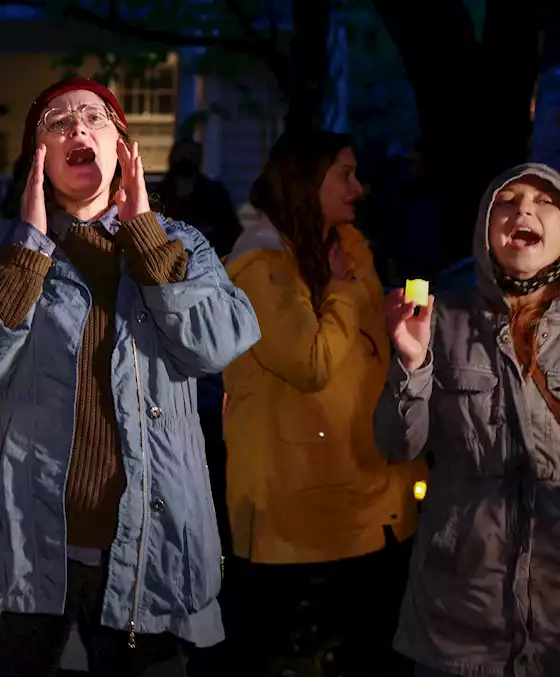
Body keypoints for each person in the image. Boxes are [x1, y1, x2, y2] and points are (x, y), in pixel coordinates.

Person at [0, 77, 261, 677]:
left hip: (144, 549)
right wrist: (28, 250)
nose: (77, 129)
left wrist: (147, 241)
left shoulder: (181, 243)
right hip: (17, 549)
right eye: (57, 123)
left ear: (122, 148)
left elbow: (218, 345)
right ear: (37, 156)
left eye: (94, 118)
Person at [222, 129, 423, 676]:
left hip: (361, 491)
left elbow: (363, 361)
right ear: (307, 181)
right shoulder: (262, 266)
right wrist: (338, 293)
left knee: (371, 649)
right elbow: (309, 364)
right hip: (298, 512)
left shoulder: (347, 248)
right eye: (345, 174)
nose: (359, 187)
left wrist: (385, 326)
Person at [377, 163, 560, 677]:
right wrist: (411, 366)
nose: (523, 209)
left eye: (544, 200)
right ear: (485, 225)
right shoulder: (443, 316)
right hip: (459, 618)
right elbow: (396, 445)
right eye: (507, 201)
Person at [153, 139, 242, 257]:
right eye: (182, 154)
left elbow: (231, 232)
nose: (186, 159)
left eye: (191, 155)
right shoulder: (158, 195)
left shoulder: (216, 195)